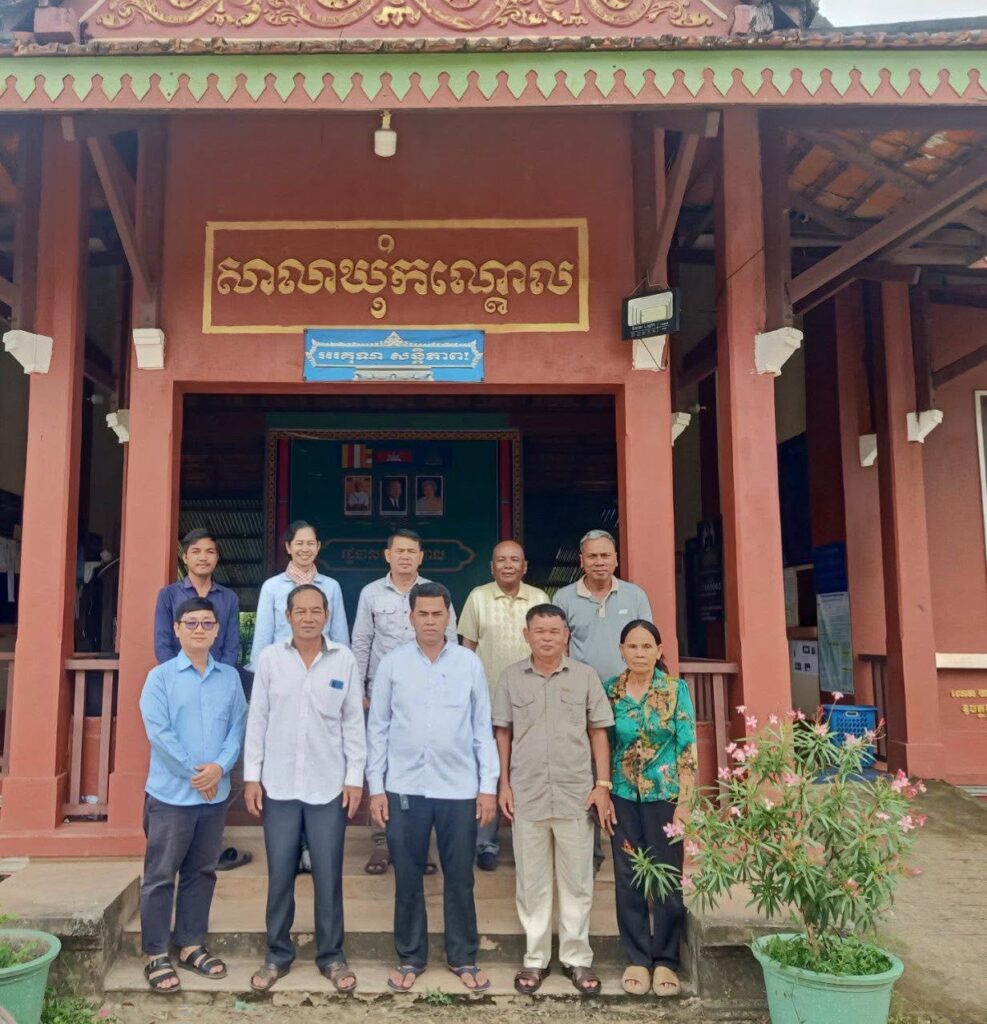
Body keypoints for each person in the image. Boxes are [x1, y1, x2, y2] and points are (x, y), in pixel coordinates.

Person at [366, 582, 499, 994]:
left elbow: (482, 728)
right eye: (421, 614)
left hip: (459, 787)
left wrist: (488, 786)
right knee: (407, 877)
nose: (429, 621)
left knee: (460, 877)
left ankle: (463, 956)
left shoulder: (468, 664)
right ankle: (410, 956)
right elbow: (378, 728)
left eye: (436, 614)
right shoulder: (392, 665)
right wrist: (376, 787)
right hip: (404, 786)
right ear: (410, 617)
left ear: (448, 617)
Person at [244, 585, 366, 994]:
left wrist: (354, 778)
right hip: (278, 785)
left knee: (328, 875)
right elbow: (257, 719)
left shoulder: (343, 659)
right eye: (301, 611)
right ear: (288, 616)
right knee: (280, 874)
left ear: (327, 615)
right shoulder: (270, 659)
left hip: (328, 785)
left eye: (316, 611)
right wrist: (252, 776)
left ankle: (331, 956)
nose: (309, 617)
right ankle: (277, 955)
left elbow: (353, 722)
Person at [493, 604, 615, 997]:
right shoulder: (511, 677)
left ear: (566, 635)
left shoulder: (584, 676)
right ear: (526, 635)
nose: (547, 638)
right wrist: (503, 784)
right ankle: (535, 959)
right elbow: (503, 733)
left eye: (554, 631)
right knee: (532, 881)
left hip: (575, 793)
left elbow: (598, 731)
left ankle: (577, 957)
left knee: (577, 880)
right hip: (527, 793)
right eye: (539, 631)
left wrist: (602, 785)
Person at [138, 597, 248, 994]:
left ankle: (190, 945)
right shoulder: (160, 678)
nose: (199, 629)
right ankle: (155, 952)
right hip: (171, 795)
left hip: (213, 796)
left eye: (207, 623)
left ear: (217, 631)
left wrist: (220, 767)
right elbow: (159, 733)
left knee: (202, 872)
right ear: (177, 629)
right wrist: (195, 774)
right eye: (192, 623)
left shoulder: (229, 678)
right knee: (160, 875)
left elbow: (238, 726)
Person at [351, 530, 458, 875]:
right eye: (399, 551)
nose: (405, 557)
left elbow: (451, 644)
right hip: (382, 694)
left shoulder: (436, 593)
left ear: (421, 556)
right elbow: (361, 643)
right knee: (381, 764)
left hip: (427, 694)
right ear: (388, 555)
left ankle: (419, 845)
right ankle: (382, 842)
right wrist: (359, 690)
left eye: (412, 551)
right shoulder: (371, 594)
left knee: (423, 762)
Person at [604, 620, 696, 998]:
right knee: (628, 875)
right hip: (623, 797)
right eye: (632, 646)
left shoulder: (675, 690)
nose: (639, 653)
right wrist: (603, 791)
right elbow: (603, 744)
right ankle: (638, 957)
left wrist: (686, 803)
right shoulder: (611, 690)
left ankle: (666, 960)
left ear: (659, 651)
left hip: (665, 797)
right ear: (621, 650)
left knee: (666, 877)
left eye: (647, 646)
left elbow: (686, 748)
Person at [553, 529, 652, 871]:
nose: (599, 562)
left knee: (629, 767)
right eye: (592, 556)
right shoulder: (564, 598)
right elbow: (558, 648)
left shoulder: (635, 596)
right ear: (581, 561)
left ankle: (632, 846)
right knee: (588, 771)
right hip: (582, 697)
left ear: (616, 559)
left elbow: (646, 643)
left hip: (628, 697)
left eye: (605, 555)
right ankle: (591, 851)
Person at [459, 540, 549, 871]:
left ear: (525, 567)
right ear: (492, 567)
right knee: (487, 769)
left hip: (532, 700)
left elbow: (552, 645)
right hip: (487, 699)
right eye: (501, 560)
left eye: (514, 560)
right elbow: (466, 650)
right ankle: (485, 843)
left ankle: (530, 841)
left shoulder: (539, 598)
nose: (508, 565)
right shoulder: (478, 598)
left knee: (528, 770)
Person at [250, 520, 348, 669]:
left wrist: (344, 666)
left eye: (310, 543)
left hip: (323, 666)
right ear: (288, 547)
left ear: (318, 547)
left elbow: (340, 635)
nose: (305, 549)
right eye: (299, 543)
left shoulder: (331, 586)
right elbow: (262, 637)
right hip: (281, 667)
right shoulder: (271, 587)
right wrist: (258, 671)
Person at [154, 529, 240, 667]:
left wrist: (220, 674)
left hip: (218, 675)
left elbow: (232, 647)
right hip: (177, 675)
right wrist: (179, 674)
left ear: (217, 557)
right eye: (196, 551)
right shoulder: (168, 595)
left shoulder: (229, 598)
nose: (203, 558)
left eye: (210, 552)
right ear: (185, 558)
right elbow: (162, 645)